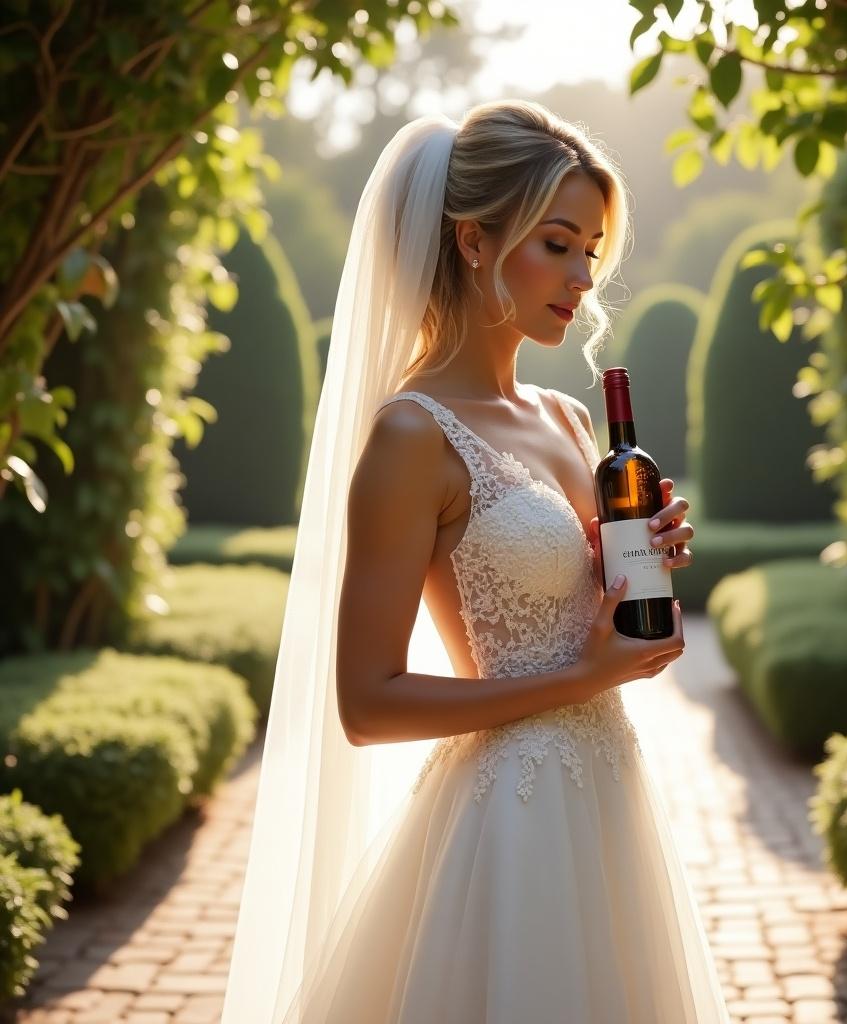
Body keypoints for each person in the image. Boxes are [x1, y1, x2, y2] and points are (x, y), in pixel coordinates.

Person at [221, 98, 732, 1024]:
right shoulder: (412, 437)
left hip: (611, 797)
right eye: (559, 243)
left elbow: (599, 632)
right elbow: (366, 705)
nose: (584, 277)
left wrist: (641, 574)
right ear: (472, 241)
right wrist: (579, 678)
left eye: (593, 249)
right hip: (510, 826)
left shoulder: (571, 421)